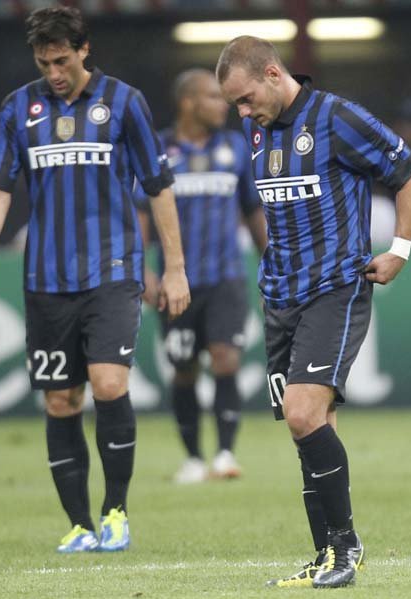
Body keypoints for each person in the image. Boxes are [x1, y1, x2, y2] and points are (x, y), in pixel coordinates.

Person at [0, 6, 190, 553]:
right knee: (61, 401)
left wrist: (175, 268)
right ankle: (79, 524)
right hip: (46, 276)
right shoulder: (18, 108)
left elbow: (158, 186)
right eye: (44, 63)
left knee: (109, 384)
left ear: (84, 50)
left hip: (113, 270)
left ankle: (116, 511)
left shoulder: (124, 102)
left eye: (62, 61)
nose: (54, 73)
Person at [217, 36, 411, 588]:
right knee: (308, 426)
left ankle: (348, 546)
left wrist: (400, 250)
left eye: (245, 99)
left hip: (335, 288)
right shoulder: (256, 127)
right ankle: (327, 555)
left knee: (303, 413)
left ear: (272, 73)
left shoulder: (337, 118)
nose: (242, 113)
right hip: (279, 294)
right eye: (235, 105)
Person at [136, 69, 267, 484]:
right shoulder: (157, 149)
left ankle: (225, 454)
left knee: (227, 358)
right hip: (176, 283)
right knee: (184, 369)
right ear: (188, 102)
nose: (222, 105)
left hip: (226, 276)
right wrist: (141, 268)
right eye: (212, 97)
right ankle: (193, 458)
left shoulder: (235, 147)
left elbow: (253, 210)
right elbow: (140, 212)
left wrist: (272, 265)